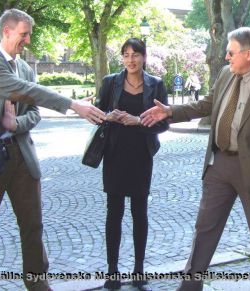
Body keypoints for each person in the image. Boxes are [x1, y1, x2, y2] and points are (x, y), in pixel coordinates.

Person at [141, 27, 250, 291]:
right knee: (205, 228)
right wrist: (170, 111)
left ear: (248, 54)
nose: (227, 57)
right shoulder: (226, 74)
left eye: (231, 52)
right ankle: (190, 286)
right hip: (219, 165)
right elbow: (206, 105)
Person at [0, 8, 106, 291]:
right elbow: (25, 91)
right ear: (7, 31)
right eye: (24, 34)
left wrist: (16, 122)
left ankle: (37, 284)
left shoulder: (25, 66)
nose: (28, 40)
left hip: (23, 157)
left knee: (33, 226)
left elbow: (33, 112)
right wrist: (73, 105)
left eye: (29, 34)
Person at [95, 38, 168, 291]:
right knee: (113, 213)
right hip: (114, 154)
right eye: (125, 55)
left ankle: (139, 269)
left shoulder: (156, 85)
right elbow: (97, 115)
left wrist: (137, 120)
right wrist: (107, 116)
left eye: (135, 54)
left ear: (144, 57)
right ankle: (112, 271)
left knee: (140, 213)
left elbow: (164, 123)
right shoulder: (110, 82)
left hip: (141, 154)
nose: (131, 60)